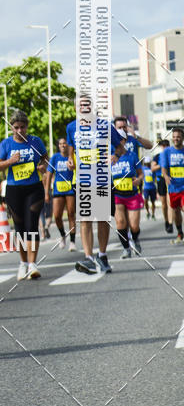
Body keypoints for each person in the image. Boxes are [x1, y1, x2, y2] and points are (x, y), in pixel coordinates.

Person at [66, 101, 126, 275]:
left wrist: (115, 156)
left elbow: (120, 147)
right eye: (80, 105)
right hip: (82, 180)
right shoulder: (71, 127)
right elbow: (72, 149)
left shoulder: (104, 125)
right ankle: (88, 258)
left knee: (102, 218)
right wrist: (70, 161)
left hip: (101, 178)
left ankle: (102, 254)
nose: (84, 107)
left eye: (87, 104)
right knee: (85, 219)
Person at [0, 111, 48, 280]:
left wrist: (42, 166)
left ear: (27, 126)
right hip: (14, 190)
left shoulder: (35, 141)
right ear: (11, 127)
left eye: (22, 127)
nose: (19, 130)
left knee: (32, 225)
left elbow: (45, 159)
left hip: (34, 188)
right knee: (20, 228)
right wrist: (10, 161)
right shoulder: (6, 144)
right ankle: (23, 263)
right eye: (16, 127)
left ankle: (33, 264)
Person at [45, 137, 76, 251]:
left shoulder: (72, 157)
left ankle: (72, 241)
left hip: (70, 190)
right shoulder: (55, 158)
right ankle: (63, 234)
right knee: (57, 216)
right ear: (58, 146)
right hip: (58, 190)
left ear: (68, 145)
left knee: (71, 214)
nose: (63, 145)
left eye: (65, 143)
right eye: (61, 144)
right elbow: (48, 175)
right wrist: (47, 192)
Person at [112, 149, 144, 258]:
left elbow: (140, 174)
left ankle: (135, 240)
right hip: (117, 195)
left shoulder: (132, 155)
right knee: (121, 222)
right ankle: (126, 249)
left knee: (134, 226)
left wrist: (139, 180)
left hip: (132, 194)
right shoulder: (108, 156)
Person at [160, 127, 184, 244]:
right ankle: (180, 232)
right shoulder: (166, 152)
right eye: (174, 137)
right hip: (173, 187)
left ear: (182, 138)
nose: (176, 139)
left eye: (178, 137)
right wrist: (165, 176)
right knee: (176, 212)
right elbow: (164, 168)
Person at [154, 139, 173, 233]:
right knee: (164, 204)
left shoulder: (172, 155)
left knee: (170, 203)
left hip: (170, 179)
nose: (165, 147)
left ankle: (170, 223)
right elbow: (152, 168)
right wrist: (160, 165)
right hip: (161, 180)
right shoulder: (157, 156)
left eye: (167, 145)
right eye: (163, 146)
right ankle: (166, 221)